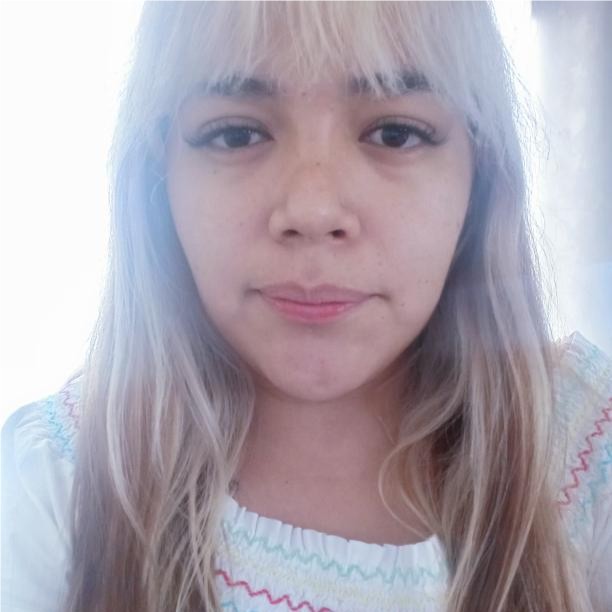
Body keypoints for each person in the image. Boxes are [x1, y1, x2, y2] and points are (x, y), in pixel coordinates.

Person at [2, 2, 611, 611]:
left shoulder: (585, 454)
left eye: (395, 133)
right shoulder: (53, 488)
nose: (313, 210)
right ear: (158, 174)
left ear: (481, 174)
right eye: (236, 134)